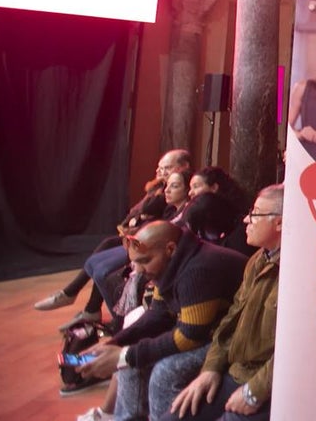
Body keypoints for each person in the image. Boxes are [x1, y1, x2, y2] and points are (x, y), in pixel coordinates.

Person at [79, 221, 248, 421]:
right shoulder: (171, 263)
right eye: (134, 262)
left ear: (170, 249)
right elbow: (158, 315)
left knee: (165, 372)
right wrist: (116, 342)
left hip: (233, 337)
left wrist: (127, 355)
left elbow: (190, 337)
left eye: (145, 261)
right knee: (129, 357)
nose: (138, 270)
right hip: (208, 329)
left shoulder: (197, 270)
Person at [164, 185, 284, 421]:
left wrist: (254, 392)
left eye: (256, 214)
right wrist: (211, 368)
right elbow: (231, 319)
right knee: (177, 414)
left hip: (267, 383)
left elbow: (298, 349)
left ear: (279, 223)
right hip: (237, 370)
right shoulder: (258, 260)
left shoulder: (299, 272)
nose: (246, 219)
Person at [34, 150, 191, 324]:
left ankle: (105, 315)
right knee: (99, 255)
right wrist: (140, 214)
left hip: (146, 245)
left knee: (102, 271)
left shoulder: (178, 201)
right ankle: (82, 302)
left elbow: (149, 213)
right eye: (159, 169)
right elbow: (133, 215)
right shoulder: (161, 191)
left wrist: (143, 214)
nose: (161, 173)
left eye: (166, 168)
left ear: (183, 169)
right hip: (138, 238)